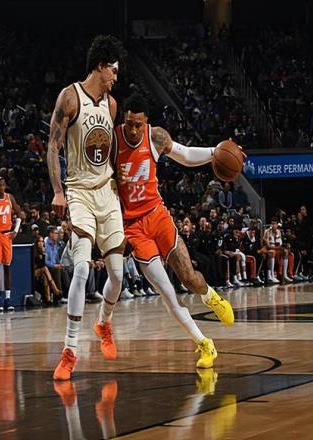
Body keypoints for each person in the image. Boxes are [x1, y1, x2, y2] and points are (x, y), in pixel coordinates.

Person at [114, 93, 234, 369]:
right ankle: (204, 343)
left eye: (138, 125)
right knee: (167, 293)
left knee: (189, 278)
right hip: (133, 227)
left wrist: (216, 152)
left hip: (157, 215)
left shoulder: (155, 137)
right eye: (129, 124)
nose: (133, 130)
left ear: (146, 122)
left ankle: (210, 296)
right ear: (124, 119)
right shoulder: (113, 141)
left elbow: (186, 155)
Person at [47, 35, 127, 380]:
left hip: (107, 193)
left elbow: (110, 153)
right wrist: (58, 191)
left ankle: (104, 323)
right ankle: (70, 351)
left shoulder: (112, 105)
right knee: (80, 270)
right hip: (78, 192)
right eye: (114, 70)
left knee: (118, 274)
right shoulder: (70, 97)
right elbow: (53, 147)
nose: (115, 77)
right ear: (100, 66)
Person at [0, 178, 21, 312]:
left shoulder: (10, 198)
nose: (1, 187)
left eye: (3, 185)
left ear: (5, 186)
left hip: (7, 236)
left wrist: (16, 230)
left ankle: (7, 299)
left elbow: (19, 214)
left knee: (7, 267)